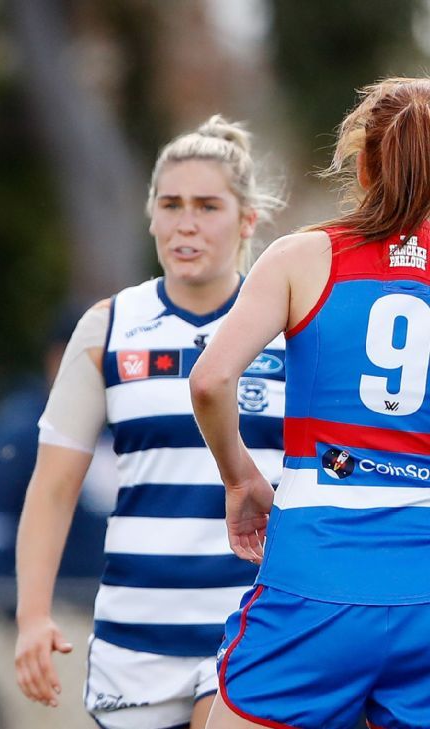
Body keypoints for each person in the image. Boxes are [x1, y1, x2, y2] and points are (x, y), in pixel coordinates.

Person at [14, 116, 285, 729]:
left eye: (207, 205)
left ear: (247, 221)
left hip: (251, 622)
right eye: (171, 204)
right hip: (132, 638)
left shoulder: (289, 326)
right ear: (152, 215)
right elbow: (52, 489)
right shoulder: (107, 327)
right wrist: (33, 615)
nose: (186, 222)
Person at [191, 78, 430, 729]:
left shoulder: (304, 255)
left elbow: (211, 380)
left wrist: (239, 474)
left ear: (361, 161)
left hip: (320, 573)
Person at [0, 313, 108, 729]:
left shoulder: (121, 428)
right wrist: (22, 611)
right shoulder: (23, 428)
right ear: (59, 357)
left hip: (108, 619)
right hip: (45, 620)